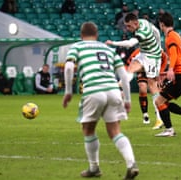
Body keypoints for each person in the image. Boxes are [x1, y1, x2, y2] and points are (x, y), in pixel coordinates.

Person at [62, 22, 139, 179]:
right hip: (113, 91)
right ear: (97, 35)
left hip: (93, 90)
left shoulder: (77, 47)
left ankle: (94, 168)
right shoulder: (108, 49)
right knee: (115, 131)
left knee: (88, 130)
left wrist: (68, 91)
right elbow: (124, 75)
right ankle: (131, 164)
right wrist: (128, 99)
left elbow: (69, 67)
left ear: (81, 35)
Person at [106, 12, 163, 127]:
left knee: (152, 86)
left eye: (129, 26)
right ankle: (122, 84)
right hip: (144, 53)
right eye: (126, 26)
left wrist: (113, 43)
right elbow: (156, 31)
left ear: (135, 23)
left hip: (153, 57)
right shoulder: (143, 22)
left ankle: (159, 117)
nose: (127, 29)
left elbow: (130, 43)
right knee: (131, 67)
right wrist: (159, 43)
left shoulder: (142, 32)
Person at [154, 11, 181, 137]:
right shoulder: (177, 35)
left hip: (180, 75)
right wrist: (167, 71)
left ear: (162, 24)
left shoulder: (170, 37)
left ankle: (169, 130)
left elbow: (173, 54)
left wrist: (171, 69)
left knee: (159, 101)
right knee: (163, 102)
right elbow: (179, 57)